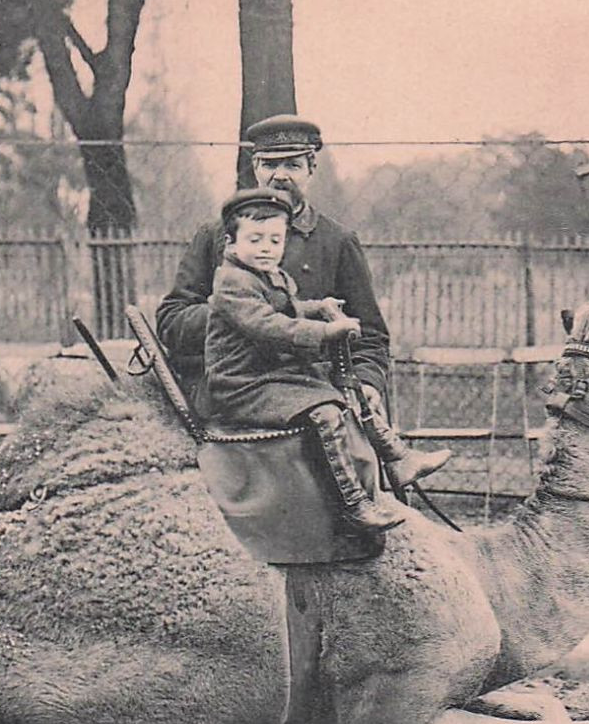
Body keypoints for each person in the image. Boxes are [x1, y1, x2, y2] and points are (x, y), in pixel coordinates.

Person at [199, 188, 446, 534]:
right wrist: (325, 333)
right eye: (255, 239)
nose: (267, 248)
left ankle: (396, 457)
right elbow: (269, 325)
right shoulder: (231, 282)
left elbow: (290, 309)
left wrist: (320, 306)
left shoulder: (270, 275)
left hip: (269, 376)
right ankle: (354, 505)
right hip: (240, 385)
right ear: (230, 242)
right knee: (325, 412)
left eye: (275, 240)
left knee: (345, 385)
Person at [158, 115, 393, 423]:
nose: (280, 176)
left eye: (293, 165)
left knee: (354, 439)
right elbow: (171, 321)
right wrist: (233, 314)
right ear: (255, 168)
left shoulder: (337, 241)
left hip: (312, 380)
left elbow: (370, 335)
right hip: (235, 386)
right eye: (269, 165)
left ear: (311, 168)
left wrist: (367, 380)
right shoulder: (217, 234)